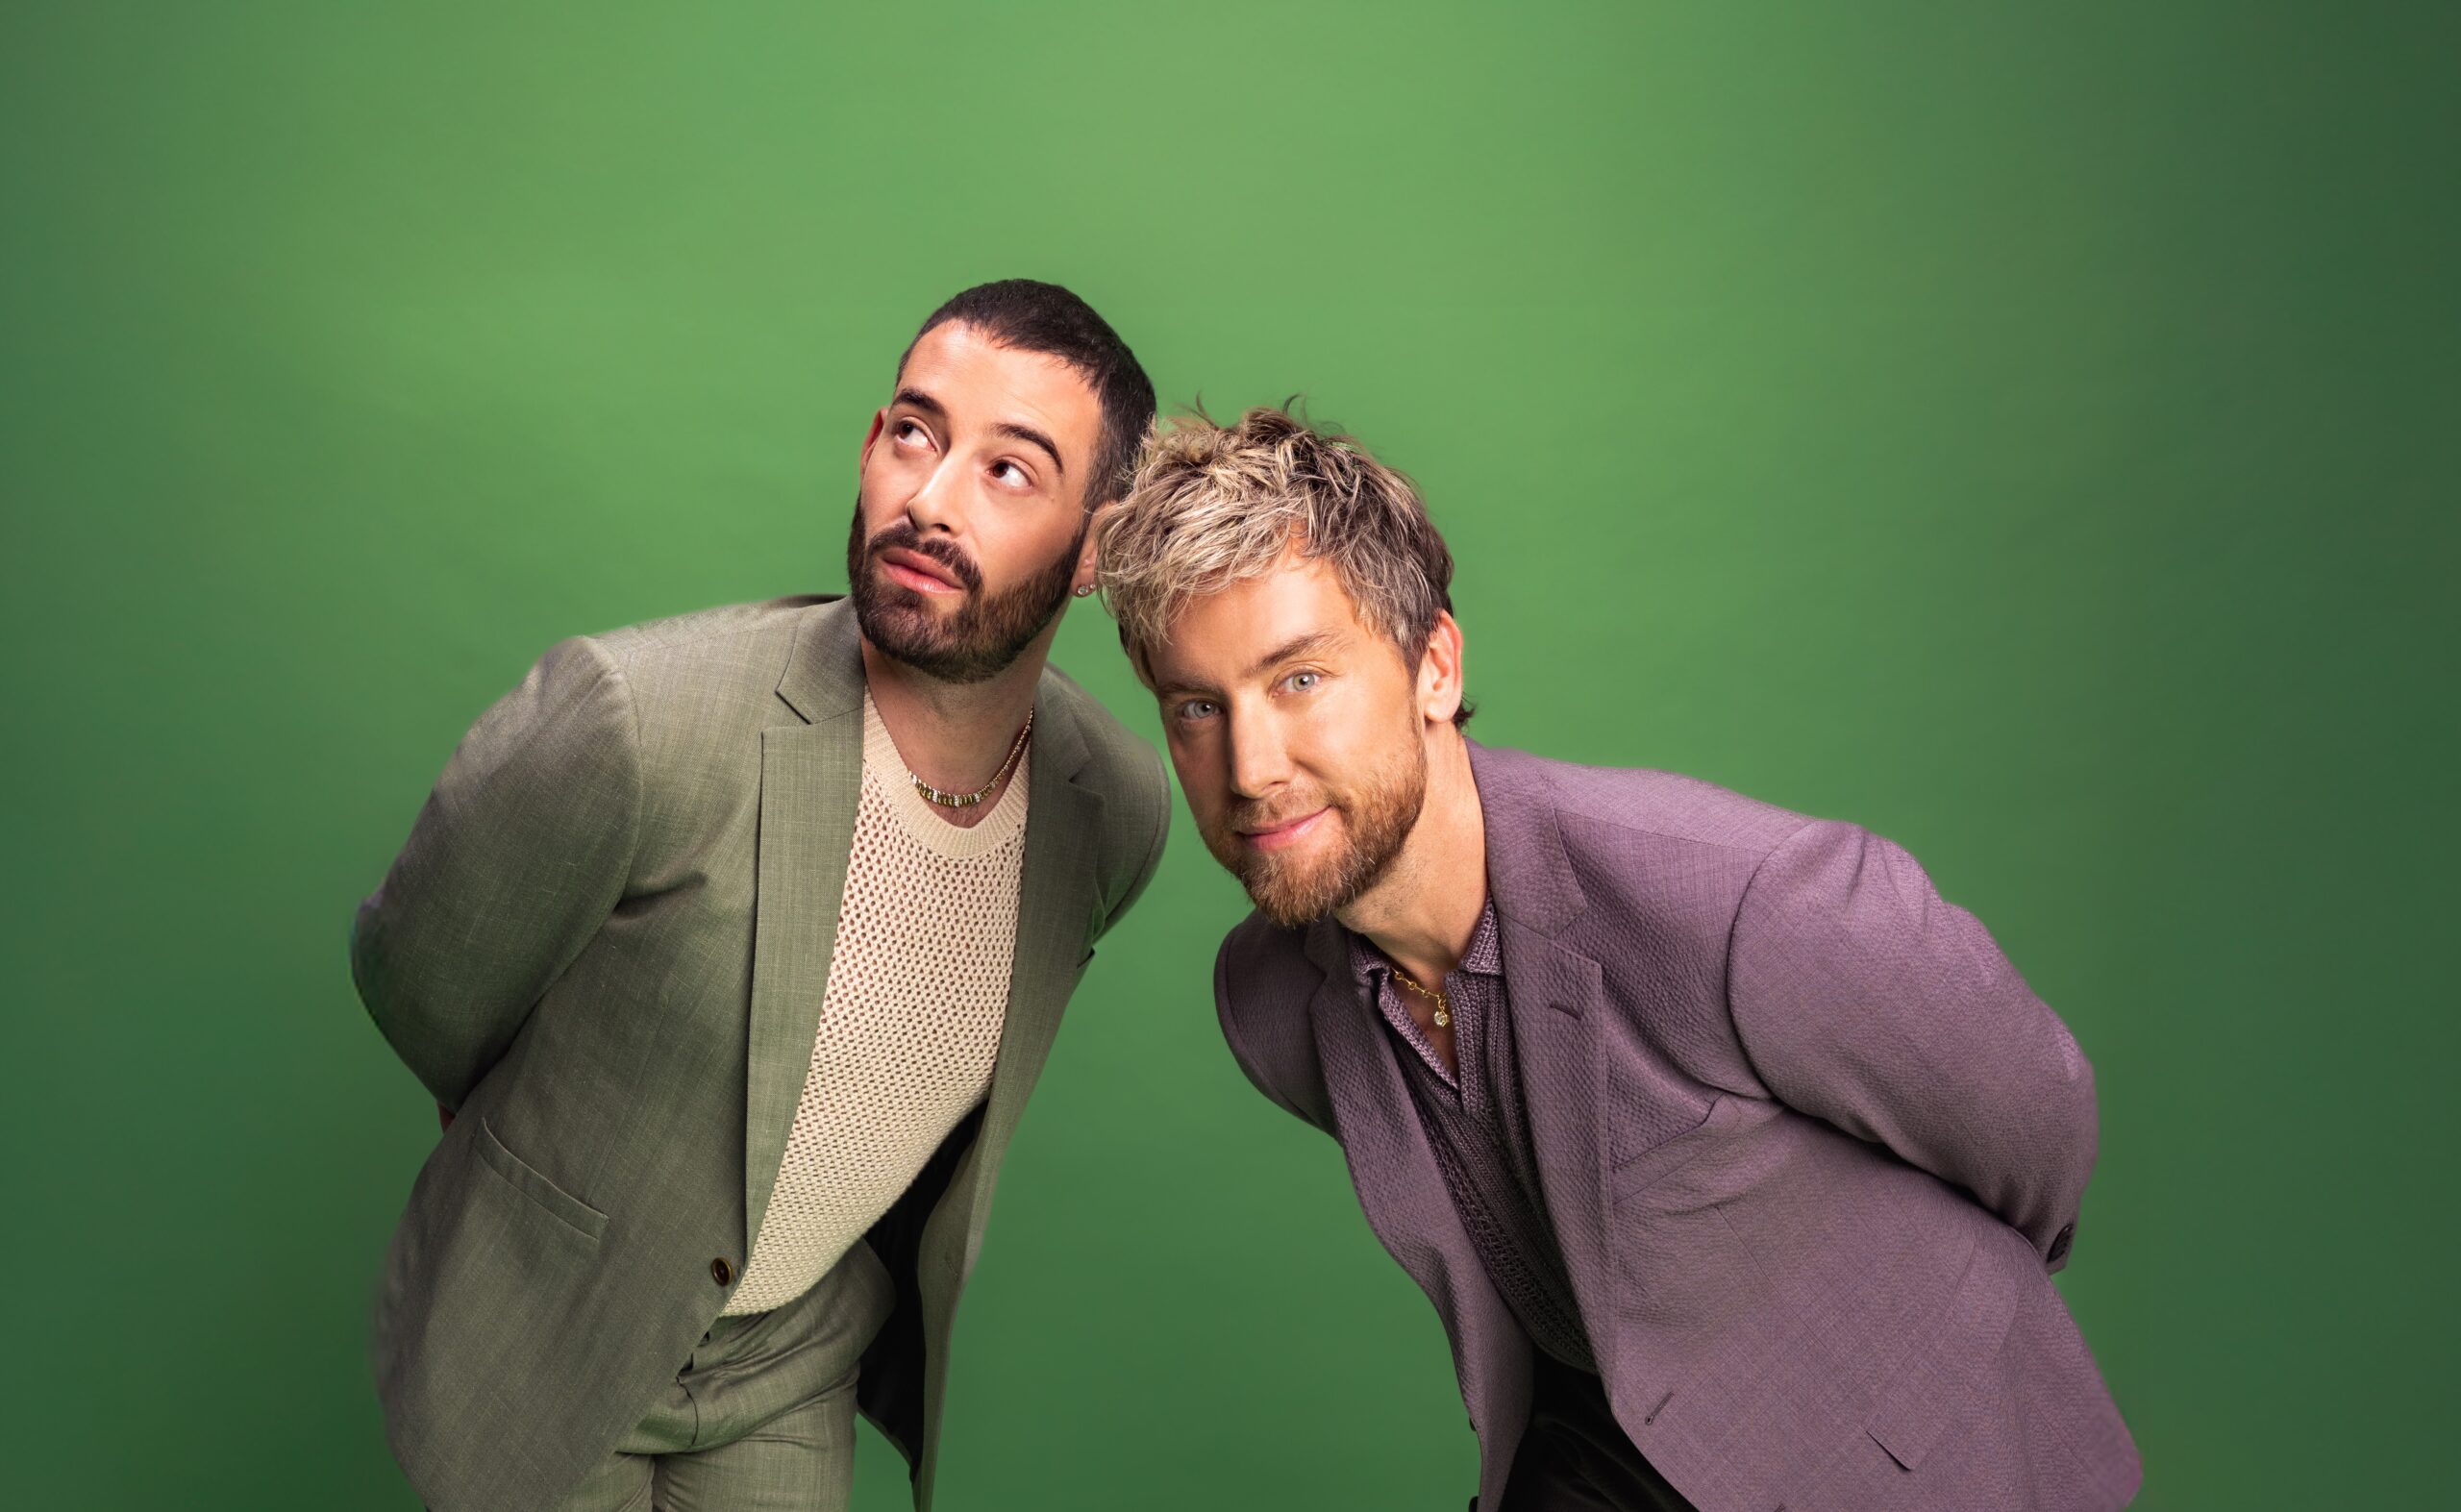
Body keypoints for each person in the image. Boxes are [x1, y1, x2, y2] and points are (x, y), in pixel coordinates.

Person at [1098, 405, 2141, 1511]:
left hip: (1913, 1465)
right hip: (1600, 1455)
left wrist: (1926, 1340)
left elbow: (2039, 1125)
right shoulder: (1272, 1003)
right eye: (1196, 706)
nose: (1249, 767)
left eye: (1299, 679)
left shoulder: (1743, 903)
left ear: (1433, 667)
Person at [349, 279, 1171, 1512]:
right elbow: (420, 976)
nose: (930, 499)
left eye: (1009, 470)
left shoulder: (1109, 810)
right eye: (915, 433)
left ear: (1098, 547)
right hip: (552, 1335)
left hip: (792, 1362)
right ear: (871, 443)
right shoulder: (637, 722)